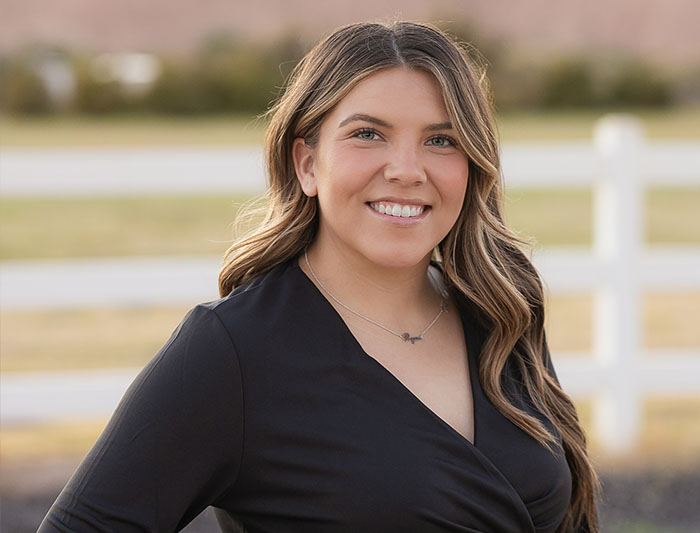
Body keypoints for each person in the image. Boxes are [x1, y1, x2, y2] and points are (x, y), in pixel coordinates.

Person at [40, 20, 599, 532]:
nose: (407, 169)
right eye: (368, 134)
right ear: (307, 163)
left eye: (441, 140)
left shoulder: (501, 307)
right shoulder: (234, 350)